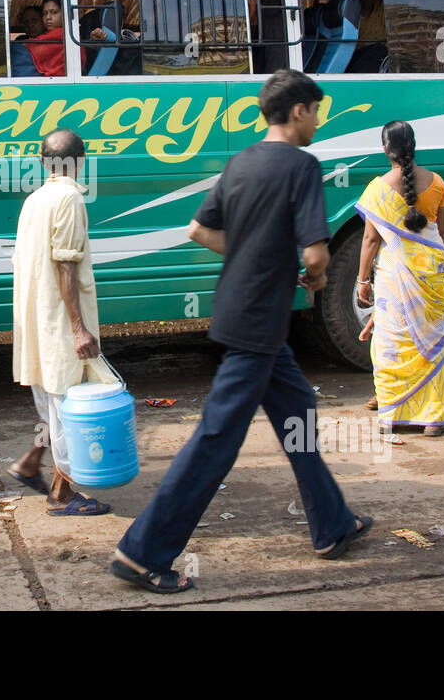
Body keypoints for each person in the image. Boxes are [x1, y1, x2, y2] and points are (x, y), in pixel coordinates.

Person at [111, 70, 372, 594]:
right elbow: (318, 254)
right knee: (216, 439)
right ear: (297, 110)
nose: (318, 122)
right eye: (316, 111)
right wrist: (314, 279)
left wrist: (256, 257)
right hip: (259, 322)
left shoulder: (240, 161)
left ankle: (332, 524)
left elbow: (198, 229)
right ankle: (142, 553)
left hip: (247, 316)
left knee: (298, 415)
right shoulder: (301, 166)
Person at [7, 130, 112, 516]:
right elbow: (65, 264)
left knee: (52, 406)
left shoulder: (35, 199)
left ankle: (30, 463)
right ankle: (63, 494)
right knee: (69, 409)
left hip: (36, 326)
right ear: (80, 160)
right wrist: (79, 328)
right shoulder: (69, 197)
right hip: (59, 327)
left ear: (43, 162)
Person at [355, 121, 444, 437]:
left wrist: (362, 281)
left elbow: (371, 240)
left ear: (386, 149)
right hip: (431, 277)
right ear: (413, 145)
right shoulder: (438, 183)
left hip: (393, 279)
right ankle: (432, 418)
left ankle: (392, 415)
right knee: (430, 342)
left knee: (391, 343)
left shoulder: (377, 189)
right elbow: (443, 235)